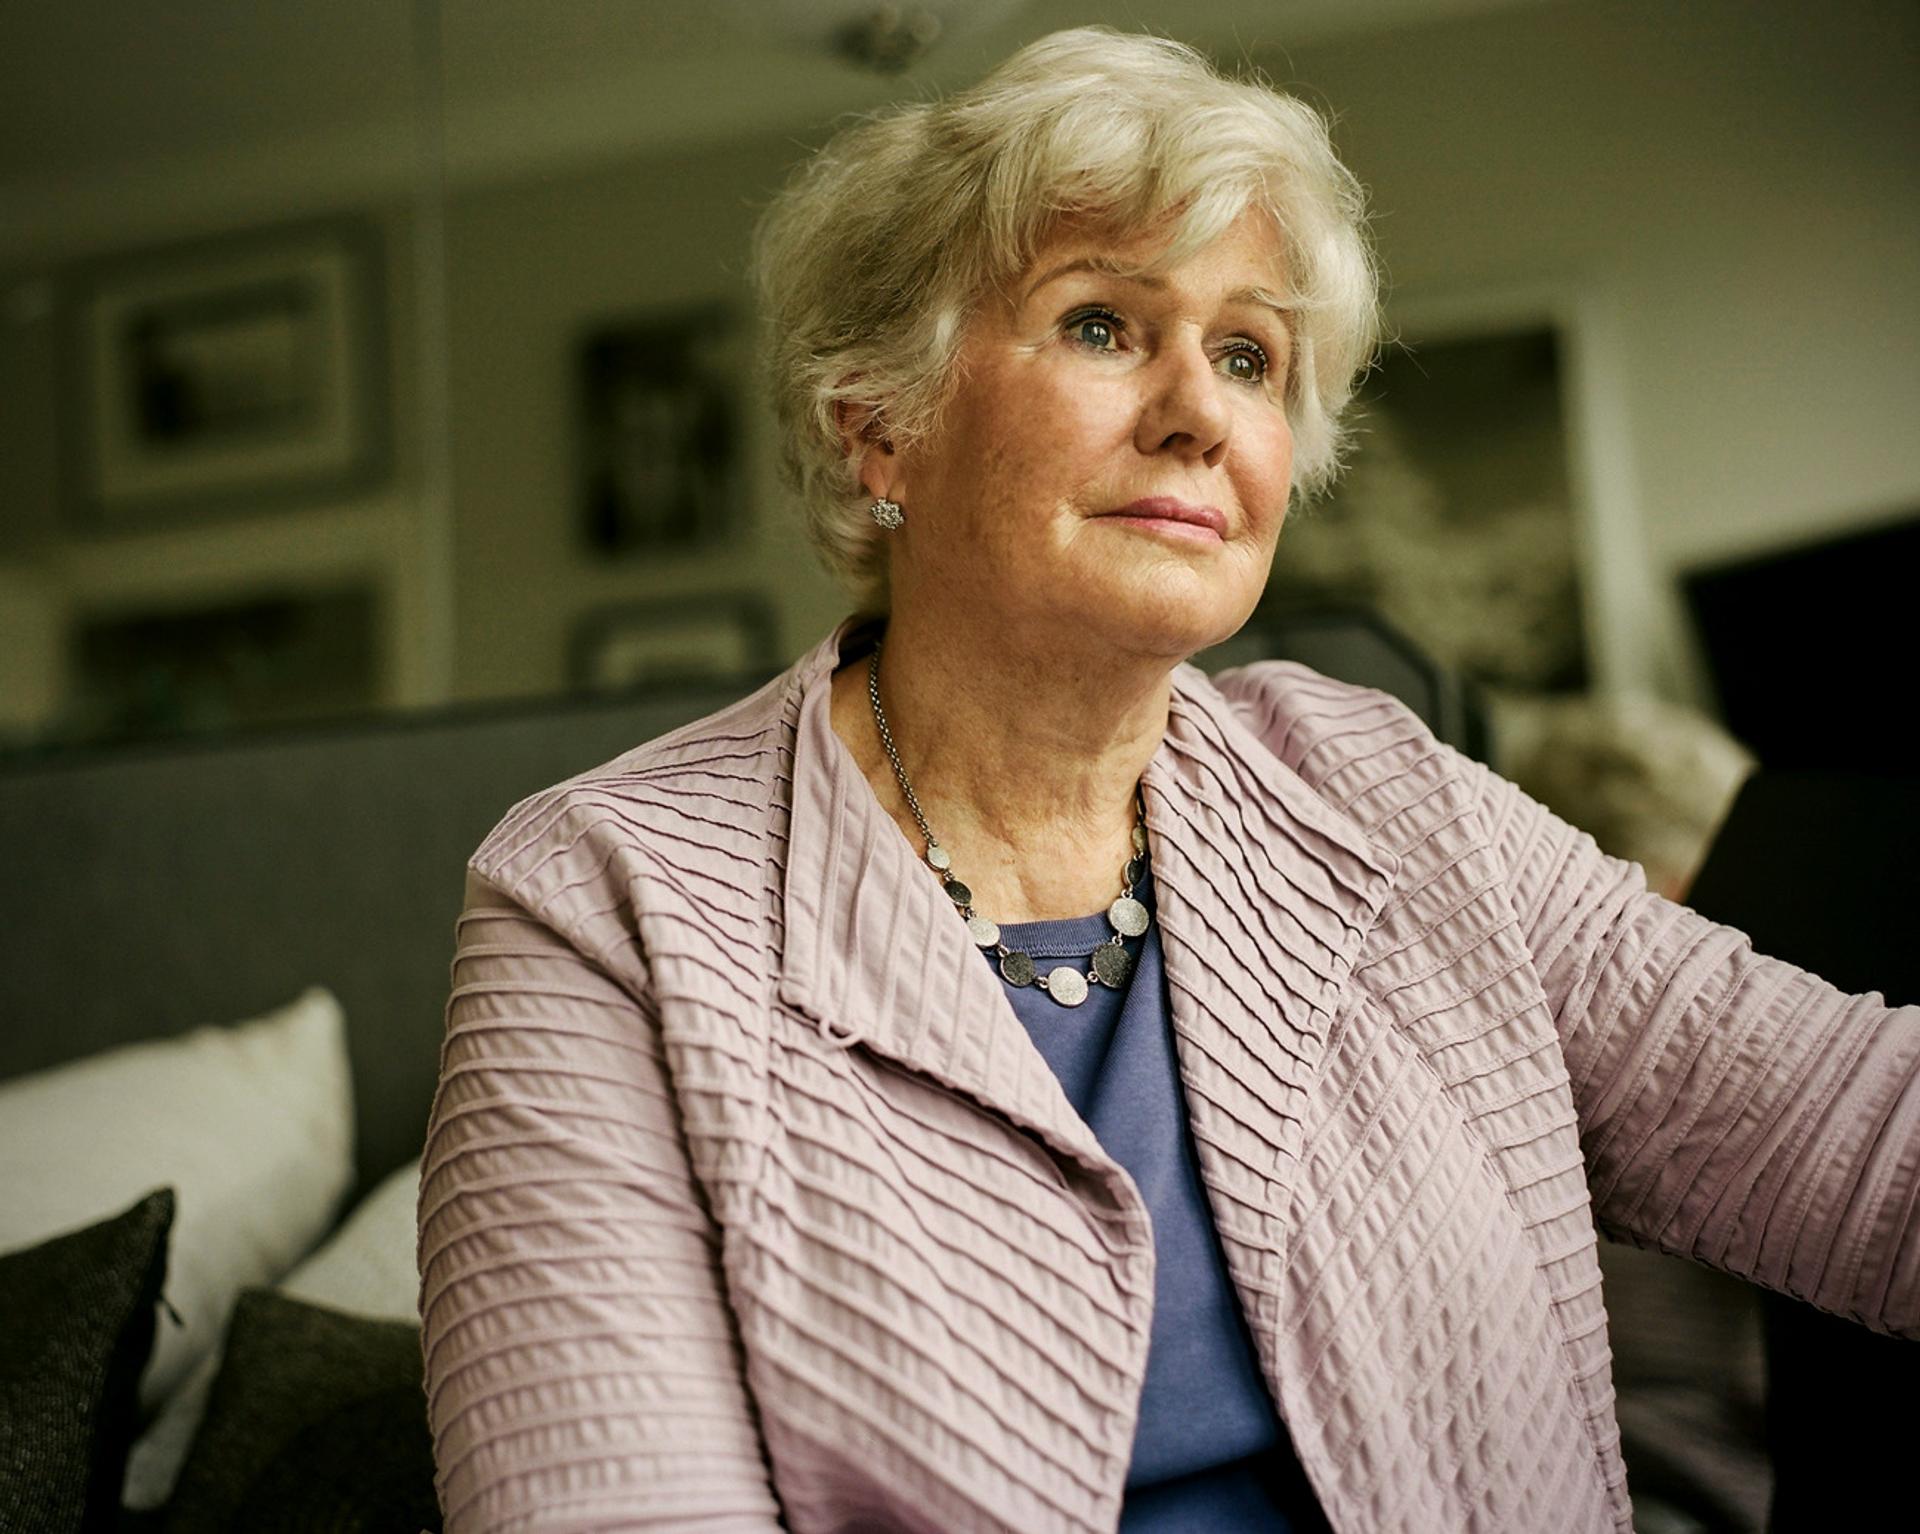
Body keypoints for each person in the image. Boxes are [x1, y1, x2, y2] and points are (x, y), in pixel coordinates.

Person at [416, 28, 1918, 1534]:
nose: (1201, 408)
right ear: (881, 427)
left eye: (1251, 354)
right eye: (1101, 326)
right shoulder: (604, 902)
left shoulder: (1380, 787)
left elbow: (1856, 1141)